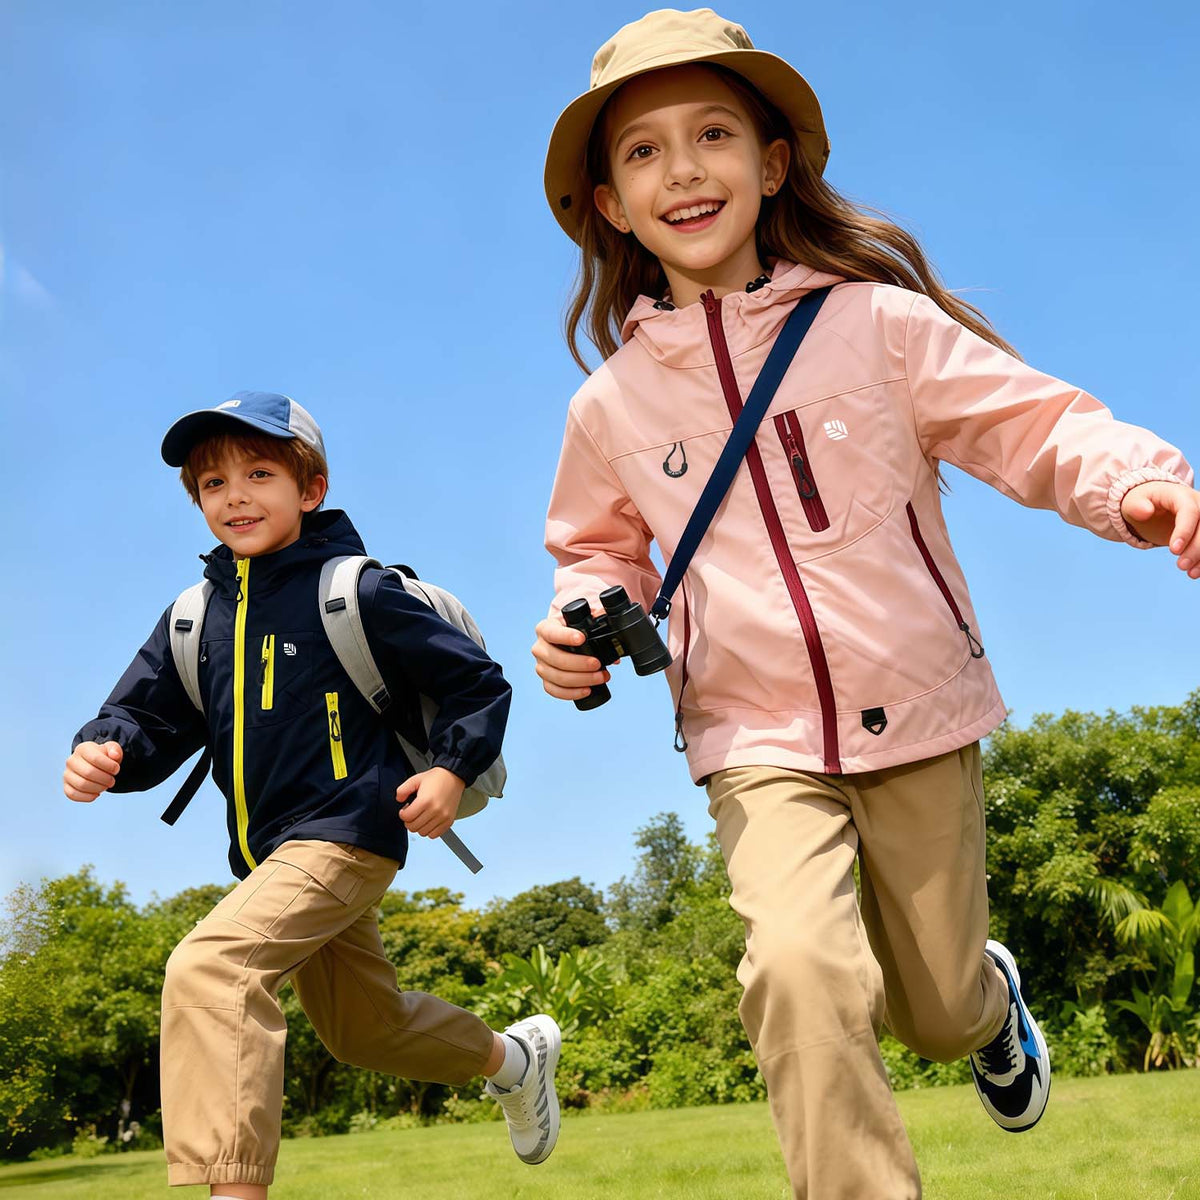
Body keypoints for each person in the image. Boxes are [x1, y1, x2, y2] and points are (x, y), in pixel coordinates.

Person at [530, 10, 1197, 1198]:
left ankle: (988, 1004)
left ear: (772, 162)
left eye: (713, 133)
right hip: (751, 733)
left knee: (937, 1013)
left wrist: (1140, 482)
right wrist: (580, 614)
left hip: (920, 707)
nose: (682, 169)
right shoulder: (610, 407)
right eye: (642, 152)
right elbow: (596, 549)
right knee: (795, 967)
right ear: (611, 205)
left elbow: (1035, 426)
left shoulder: (875, 325)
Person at [64, 391, 561, 1198]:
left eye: (259, 473)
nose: (235, 496)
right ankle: (514, 1060)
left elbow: (475, 684)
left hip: (350, 829)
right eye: (213, 484)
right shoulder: (196, 618)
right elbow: (144, 715)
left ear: (311, 489)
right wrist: (104, 749)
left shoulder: (356, 591)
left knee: (209, 971)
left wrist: (450, 769)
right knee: (367, 1031)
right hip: (267, 856)